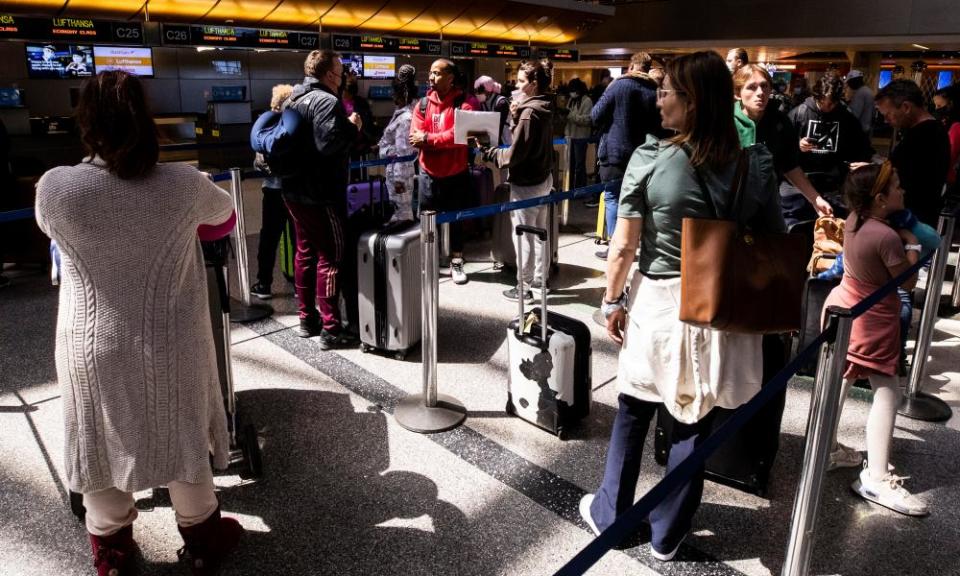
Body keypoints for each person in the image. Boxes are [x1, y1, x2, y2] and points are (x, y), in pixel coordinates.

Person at [34, 70, 244, 576]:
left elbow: (50, 230)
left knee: (99, 436)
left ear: (85, 122)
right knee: (183, 433)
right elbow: (228, 219)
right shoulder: (182, 184)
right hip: (171, 339)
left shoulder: (56, 187)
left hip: (89, 342)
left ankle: (113, 554)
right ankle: (201, 539)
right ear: (145, 120)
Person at [580, 51, 785, 561]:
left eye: (667, 90)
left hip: (661, 300)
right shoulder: (751, 162)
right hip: (720, 307)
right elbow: (772, 237)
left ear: (691, 102)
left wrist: (610, 301)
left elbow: (624, 247)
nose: (659, 98)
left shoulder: (651, 160)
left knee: (634, 407)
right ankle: (667, 535)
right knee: (696, 419)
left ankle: (610, 514)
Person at [823, 162, 928, 516]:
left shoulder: (855, 219)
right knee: (888, 392)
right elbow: (908, 283)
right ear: (881, 199)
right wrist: (912, 243)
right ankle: (878, 477)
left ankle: (827, 449)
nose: (903, 191)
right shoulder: (886, 237)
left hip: (845, 304)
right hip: (873, 318)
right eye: (896, 187)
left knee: (844, 376)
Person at [282, 49, 363, 345]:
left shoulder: (293, 98)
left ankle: (307, 318)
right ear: (329, 74)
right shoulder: (327, 101)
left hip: (293, 191)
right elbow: (329, 145)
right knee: (332, 256)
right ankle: (331, 327)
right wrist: (352, 128)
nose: (342, 77)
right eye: (340, 71)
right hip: (322, 194)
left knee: (305, 253)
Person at [478, 59, 555, 301]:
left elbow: (514, 154)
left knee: (523, 235)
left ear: (533, 84)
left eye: (522, 81)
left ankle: (524, 287)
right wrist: (515, 116)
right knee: (541, 233)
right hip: (544, 178)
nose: (517, 86)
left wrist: (488, 152)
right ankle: (540, 283)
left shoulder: (529, 113)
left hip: (526, 183)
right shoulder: (545, 105)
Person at [733, 64, 834, 219]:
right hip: (730, 207)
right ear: (737, 93)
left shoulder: (780, 122)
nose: (760, 93)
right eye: (752, 87)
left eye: (764, 86)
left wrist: (815, 199)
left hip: (767, 206)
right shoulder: (724, 121)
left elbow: (790, 166)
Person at [410, 58, 476, 285]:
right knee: (429, 222)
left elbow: (460, 136)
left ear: (451, 77)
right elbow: (414, 137)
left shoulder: (464, 103)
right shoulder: (422, 105)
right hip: (428, 173)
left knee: (456, 220)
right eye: (430, 72)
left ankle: (456, 261)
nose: (431, 77)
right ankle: (430, 263)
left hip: (456, 174)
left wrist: (429, 139)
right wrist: (438, 139)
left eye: (437, 73)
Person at [590, 51, 661, 259]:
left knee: (612, 197)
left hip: (614, 153)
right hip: (644, 155)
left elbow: (595, 116)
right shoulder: (654, 90)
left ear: (631, 66)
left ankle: (615, 246)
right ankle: (633, 242)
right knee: (636, 200)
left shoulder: (619, 86)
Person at [785, 75, 873, 223]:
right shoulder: (799, 113)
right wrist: (798, 144)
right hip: (800, 184)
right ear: (816, 96)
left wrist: (856, 166)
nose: (827, 107)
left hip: (833, 184)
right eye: (822, 103)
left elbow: (860, 147)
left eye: (832, 104)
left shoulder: (846, 117)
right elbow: (783, 150)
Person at [876, 79, 951, 227]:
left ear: (906, 107)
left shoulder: (926, 135)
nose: (885, 120)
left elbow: (905, 180)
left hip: (913, 224)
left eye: (888, 114)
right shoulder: (925, 131)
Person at [251, 83, 295, 300]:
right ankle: (300, 285)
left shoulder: (265, 126)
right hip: (295, 190)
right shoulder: (295, 126)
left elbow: (257, 162)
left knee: (269, 237)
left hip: (272, 191)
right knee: (299, 239)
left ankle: (264, 284)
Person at [378, 64, 418, 222]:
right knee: (399, 208)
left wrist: (385, 151)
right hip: (395, 172)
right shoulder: (403, 113)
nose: (392, 96)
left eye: (394, 93)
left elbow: (403, 151)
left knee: (403, 209)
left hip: (399, 174)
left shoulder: (406, 118)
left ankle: (404, 236)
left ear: (402, 95)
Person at [563, 78, 593, 191]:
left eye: (573, 90)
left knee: (579, 165)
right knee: (569, 165)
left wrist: (570, 115)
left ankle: (580, 188)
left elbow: (587, 120)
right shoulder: (571, 99)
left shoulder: (587, 101)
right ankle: (569, 187)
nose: (572, 93)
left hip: (580, 137)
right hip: (570, 136)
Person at [932, 84, 960, 192]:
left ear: (951, 105)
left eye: (939, 106)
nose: (936, 110)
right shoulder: (948, 124)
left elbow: (948, 157)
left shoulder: (956, 127)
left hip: (947, 180)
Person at [474, 75, 511, 146]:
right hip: (489, 140)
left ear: (489, 90)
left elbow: (499, 126)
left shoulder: (501, 102)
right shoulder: (483, 102)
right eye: (476, 91)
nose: (477, 94)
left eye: (480, 91)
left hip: (504, 141)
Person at [844, 70, 875, 136]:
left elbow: (854, 115)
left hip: (860, 131)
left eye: (849, 82)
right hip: (867, 129)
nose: (849, 85)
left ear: (854, 81)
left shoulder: (860, 93)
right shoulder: (868, 90)